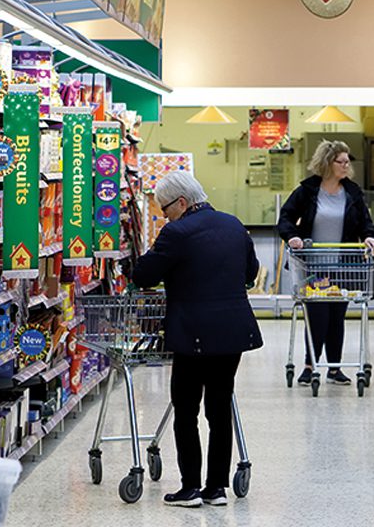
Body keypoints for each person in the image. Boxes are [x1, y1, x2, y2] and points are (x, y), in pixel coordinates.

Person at [132, 171, 263, 508]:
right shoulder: (234, 224)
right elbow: (251, 273)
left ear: (182, 202)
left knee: (186, 409)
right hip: (233, 332)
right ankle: (217, 489)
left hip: (192, 334)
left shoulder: (176, 232)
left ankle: (190, 488)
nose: (164, 216)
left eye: (165, 209)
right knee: (219, 410)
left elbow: (143, 275)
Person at [277, 140, 374, 387]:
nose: (346, 166)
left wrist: (369, 237)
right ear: (326, 163)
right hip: (313, 266)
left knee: (337, 315)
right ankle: (310, 365)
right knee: (317, 314)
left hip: (343, 264)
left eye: (347, 162)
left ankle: (334, 367)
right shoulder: (308, 190)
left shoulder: (352, 192)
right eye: (340, 161)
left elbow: (365, 222)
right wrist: (293, 237)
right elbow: (286, 217)